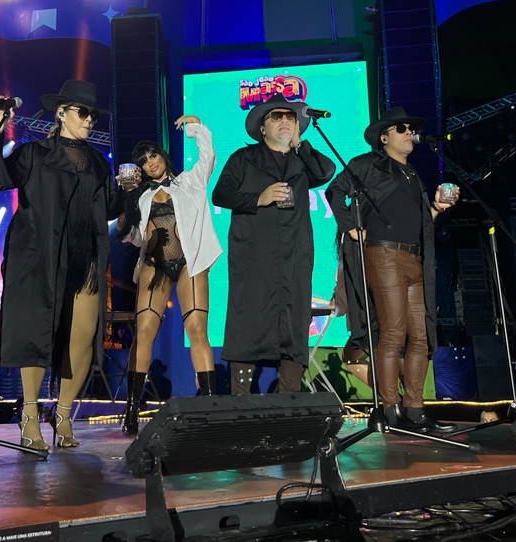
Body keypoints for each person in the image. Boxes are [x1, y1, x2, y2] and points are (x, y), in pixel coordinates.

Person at [0, 79, 122, 453]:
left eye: (93, 115)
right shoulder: (34, 153)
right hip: (39, 256)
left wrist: (128, 188)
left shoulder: (98, 162)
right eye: (83, 112)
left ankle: (62, 413)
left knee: (83, 336)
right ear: (61, 113)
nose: (90, 119)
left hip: (85, 257)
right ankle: (29, 414)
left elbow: (111, 208)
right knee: (36, 332)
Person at [325, 107, 458, 434]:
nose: (410, 132)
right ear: (384, 138)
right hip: (384, 255)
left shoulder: (412, 175)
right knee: (394, 332)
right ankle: (392, 409)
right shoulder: (367, 164)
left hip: (415, 258)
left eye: (411, 128)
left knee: (420, 336)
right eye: (402, 128)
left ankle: (415, 409)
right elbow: (335, 190)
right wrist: (349, 226)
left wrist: (436, 208)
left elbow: (417, 222)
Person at [211, 93, 336, 394]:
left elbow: (326, 171)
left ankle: (289, 398)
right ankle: (241, 399)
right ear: (262, 128)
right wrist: (259, 198)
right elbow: (220, 194)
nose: (284, 120)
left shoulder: (302, 159)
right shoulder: (243, 158)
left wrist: (300, 144)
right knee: (248, 320)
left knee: (294, 321)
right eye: (276, 116)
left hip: (294, 254)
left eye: (290, 116)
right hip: (254, 254)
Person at [118, 115, 222, 434]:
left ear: (163, 155)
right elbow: (131, 235)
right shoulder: (140, 197)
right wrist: (126, 197)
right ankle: (132, 411)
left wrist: (196, 126)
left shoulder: (190, 182)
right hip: (154, 266)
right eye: (144, 161)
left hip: (190, 262)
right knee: (144, 332)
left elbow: (209, 156)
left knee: (197, 329)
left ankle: (209, 408)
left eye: (153, 155)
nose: (150, 163)